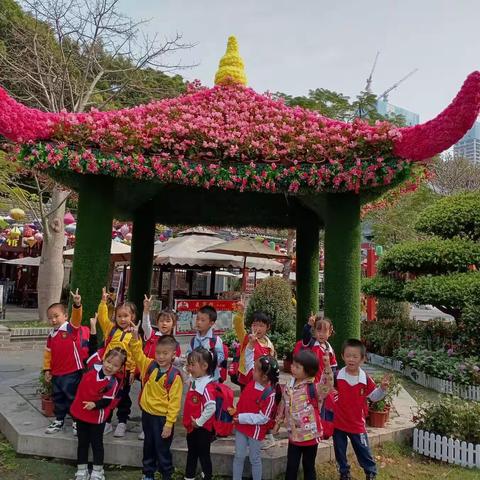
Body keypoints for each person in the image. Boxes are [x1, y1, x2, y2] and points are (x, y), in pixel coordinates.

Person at [70, 314, 126, 480]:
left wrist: (94, 405)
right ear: (104, 359)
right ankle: (81, 469)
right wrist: (93, 327)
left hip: (97, 417)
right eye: (109, 362)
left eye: (115, 365)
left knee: (96, 444)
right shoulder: (94, 363)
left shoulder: (113, 383)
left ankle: (97, 471)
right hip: (81, 413)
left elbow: (107, 401)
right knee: (82, 443)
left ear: (120, 368)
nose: (110, 366)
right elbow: (93, 347)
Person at [129, 323, 183, 480]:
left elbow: (174, 403)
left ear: (173, 355)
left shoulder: (175, 377)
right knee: (148, 446)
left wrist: (169, 424)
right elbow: (138, 354)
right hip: (147, 415)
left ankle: (166, 474)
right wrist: (134, 339)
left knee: (162, 448)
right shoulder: (149, 365)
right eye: (158, 353)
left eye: (165, 353)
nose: (161, 356)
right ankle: (148, 473)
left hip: (162, 419)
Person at [333, 339, 390, 480]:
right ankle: (344, 473)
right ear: (342, 356)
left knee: (363, 450)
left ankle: (370, 472)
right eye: (348, 356)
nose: (351, 359)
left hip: (357, 424)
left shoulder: (365, 379)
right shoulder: (337, 376)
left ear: (362, 359)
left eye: (355, 356)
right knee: (339, 451)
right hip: (339, 423)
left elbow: (374, 397)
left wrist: (382, 389)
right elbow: (328, 391)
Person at [274, 350, 334, 480]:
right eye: (293, 364)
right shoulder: (289, 386)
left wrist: (327, 367)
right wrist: (277, 424)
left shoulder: (314, 388)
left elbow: (327, 386)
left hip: (311, 436)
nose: (292, 368)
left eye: (297, 366)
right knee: (291, 467)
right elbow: (283, 404)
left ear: (308, 371)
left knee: (308, 466)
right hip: (294, 436)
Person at [138, 294, 182, 441]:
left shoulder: (174, 343)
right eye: (161, 320)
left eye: (168, 321)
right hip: (148, 373)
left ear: (173, 324)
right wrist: (146, 310)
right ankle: (145, 427)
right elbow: (145, 326)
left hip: (163, 378)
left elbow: (176, 362)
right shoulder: (152, 335)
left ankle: (161, 425)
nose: (164, 324)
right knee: (143, 398)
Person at [231, 355, 280, 480]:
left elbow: (263, 418)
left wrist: (241, 417)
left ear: (264, 377)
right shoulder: (252, 381)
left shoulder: (269, 394)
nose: (253, 370)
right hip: (241, 427)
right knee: (239, 456)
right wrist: (251, 346)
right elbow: (247, 362)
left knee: (255, 458)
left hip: (255, 430)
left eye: (256, 369)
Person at [97, 287, 137, 437]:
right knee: (106, 394)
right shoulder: (111, 329)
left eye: (126, 316)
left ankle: (122, 422)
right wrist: (103, 302)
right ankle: (106, 422)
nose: (122, 319)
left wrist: (132, 371)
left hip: (124, 372)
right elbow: (102, 318)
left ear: (132, 317)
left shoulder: (134, 334)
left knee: (123, 397)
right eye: (119, 316)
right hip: (108, 369)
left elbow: (135, 354)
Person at [43, 289, 83, 434]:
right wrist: (47, 370)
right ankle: (59, 420)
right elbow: (48, 354)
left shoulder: (70, 328)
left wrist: (77, 305)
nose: (53, 320)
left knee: (72, 396)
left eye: (56, 316)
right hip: (57, 373)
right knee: (58, 397)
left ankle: (76, 421)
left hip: (71, 371)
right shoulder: (51, 335)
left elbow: (77, 318)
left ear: (65, 316)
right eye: (50, 318)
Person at [183, 348, 218, 480]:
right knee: (192, 452)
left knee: (203, 454)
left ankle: (207, 475)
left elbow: (211, 407)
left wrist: (199, 421)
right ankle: (189, 476)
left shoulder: (207, 385)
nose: (190, 368)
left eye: (193, 365)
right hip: (192, 426)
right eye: (189, 364)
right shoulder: (196, 379)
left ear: (204, 366)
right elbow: (187, 377)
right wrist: (185, 368)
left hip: (202, 429)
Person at [233, 305, 275, 390]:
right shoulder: (246, 338)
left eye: (261, 326)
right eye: (255, 325)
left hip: (261, 379)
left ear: (268, 327)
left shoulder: (269, 345)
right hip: (247, 377)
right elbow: (238, 326)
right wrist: (240, 313)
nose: (257, 329)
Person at [185, 305, 225, 381]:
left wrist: (209, 357)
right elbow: (188, 353)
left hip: (211, 379)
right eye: (197, 319)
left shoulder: (215, 340)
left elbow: (221, 357)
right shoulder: (194, 340)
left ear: (211, 323)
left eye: (202, 320)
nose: (198, 322)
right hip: (196, 378)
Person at [293, 314, 337, 381]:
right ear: (314, 330)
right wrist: (309, 325)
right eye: (319, 330)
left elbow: (333, 366)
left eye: (325, 331)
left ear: (330, 332)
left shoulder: (330, 350)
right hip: (307, 382)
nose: (321, 334)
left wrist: (331, 379)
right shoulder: (310, 343)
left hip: (321, 384)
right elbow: (305, 336)